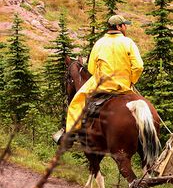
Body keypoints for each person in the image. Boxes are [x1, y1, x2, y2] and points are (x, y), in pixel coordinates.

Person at [53, 14, 144, 144]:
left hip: (103, 85)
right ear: (118, 26)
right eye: (124, 25)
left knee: (77, 100)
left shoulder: (99, 43)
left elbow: (91, 68)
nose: (126, 28)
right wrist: (131, 80)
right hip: (124, 85)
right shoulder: (128, 42)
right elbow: (139, 66)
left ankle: (70, 133)